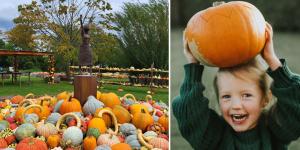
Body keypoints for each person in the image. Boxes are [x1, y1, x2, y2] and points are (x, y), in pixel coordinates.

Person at [172, 22, 300, 150]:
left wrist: (272, 59)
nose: (236, 105)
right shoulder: (213, 135)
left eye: (246, 95)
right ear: (218, 100)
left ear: (265, 98)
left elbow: (296, 103)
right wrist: (193, 65)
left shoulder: (276, 129)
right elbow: (189, 111)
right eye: (226, 96)